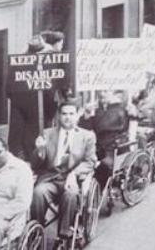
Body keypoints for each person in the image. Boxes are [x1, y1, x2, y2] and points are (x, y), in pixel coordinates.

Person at [30, 99, 97, 241]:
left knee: (70, 194)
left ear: (77, 115)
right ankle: (36, 231)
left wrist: (74, 173)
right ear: (59, 116)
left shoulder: (87, 136)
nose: (68, 117)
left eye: (71, 113)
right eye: (64, 113)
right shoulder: (47, 133)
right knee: (38, 192)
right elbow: (35, 164)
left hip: (73, 178)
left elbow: (90, 161)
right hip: (50, 178)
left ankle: (64, 235)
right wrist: (39, 150)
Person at [79, 90, 129, 189]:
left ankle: (98, 190)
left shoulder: (121, 109)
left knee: (103, 165)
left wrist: (133, 113)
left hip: (115, 148)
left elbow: (121, 127)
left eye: (105, 91)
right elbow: (85, 130)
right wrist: (86, 116)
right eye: (99, 91)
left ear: (113, 92)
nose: (101, 93)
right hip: (98, 146)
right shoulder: (95, 110)